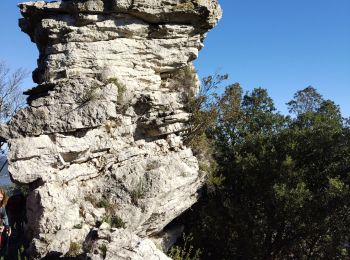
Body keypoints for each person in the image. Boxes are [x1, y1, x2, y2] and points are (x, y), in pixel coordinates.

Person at [0, 188, 11, 256]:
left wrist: (7, 227)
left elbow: (5, 217)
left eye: (1, 197)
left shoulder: (2, 207)